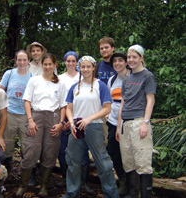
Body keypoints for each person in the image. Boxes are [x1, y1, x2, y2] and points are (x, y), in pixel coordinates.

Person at [62, 56, 119, 198]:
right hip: (76, 127)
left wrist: (89, 119)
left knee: (103, 162)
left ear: (94, 68)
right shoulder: (75, 87)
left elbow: (107, 108)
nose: (85, 69)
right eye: (83, 67)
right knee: (73, 161)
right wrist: (71, 122)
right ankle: (72, 193)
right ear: (79, 68)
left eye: (88, 66)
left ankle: (111, 194)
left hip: (94, 126)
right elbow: (69, 108)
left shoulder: (101, 86)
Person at [16, 53, 67, 197]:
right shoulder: (34, 80)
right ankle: (23, 185)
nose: (48, 67)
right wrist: (30, 120)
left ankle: (44, 186)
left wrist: (61, 123)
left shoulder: (60, 83)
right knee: (31, 150)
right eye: (45, 64)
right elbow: (27, 100)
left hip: (54, 117)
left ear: (55, 65)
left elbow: (63, 105)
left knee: (50, 152)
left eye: (51, 64)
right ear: (42, 65)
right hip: (36, 116)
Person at [116, 45, 156, 198]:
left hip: (139, 122)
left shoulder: (147, 76)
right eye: (129, 57)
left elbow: (150, 100)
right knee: (128, 162)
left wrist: (145, 122)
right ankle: (133, 194)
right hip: (125, 124)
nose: (131, 60)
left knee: (143, 162)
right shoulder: (127, 80)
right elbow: (123, 103)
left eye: (134, 57)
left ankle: (146, 195)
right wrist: (120, 126)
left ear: (141, 58)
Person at [58, 51, 92, 193]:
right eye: (68, 61)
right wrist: (64, 120)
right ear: (64, 62)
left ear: (77, 63)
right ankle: (66, 179)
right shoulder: (59, 78)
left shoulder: (83, 76)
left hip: (80, 117)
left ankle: (84, 181)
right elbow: (60, 99)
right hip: (64, 116)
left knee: (83, 151)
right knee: (62, 149)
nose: (71, 63)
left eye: (73, 61)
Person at [0, 49, 32, 175]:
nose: (22, 62)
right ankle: (5, 171)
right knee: (8, 142)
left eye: (24, 60)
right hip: (9, 113)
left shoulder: (32, 77)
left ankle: (26, 172)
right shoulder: (9, 74)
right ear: (16, 60)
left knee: (26, 144)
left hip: (25, 115)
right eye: (19, 59)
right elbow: (0, 90)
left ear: (29, 61)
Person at [106, 51, 130, 196]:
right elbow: (108, 99)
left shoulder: (132, 78)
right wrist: (107, 112)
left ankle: (131, 183)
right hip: (113, 120)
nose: (117, 64)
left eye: (120, 60)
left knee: (127, 152)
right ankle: (122, 178)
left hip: (128, 120)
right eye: (115, 61)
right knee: (113, 151)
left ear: (126, 62)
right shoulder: (112, 80)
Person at [96, 36, 117, 146]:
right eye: (101, 48)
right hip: (102, 106)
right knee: (104, 136)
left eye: (106, 47)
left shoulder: (118, 65)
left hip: (117, 105)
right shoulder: (97, 67)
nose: (104, 50)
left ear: (112, 48)